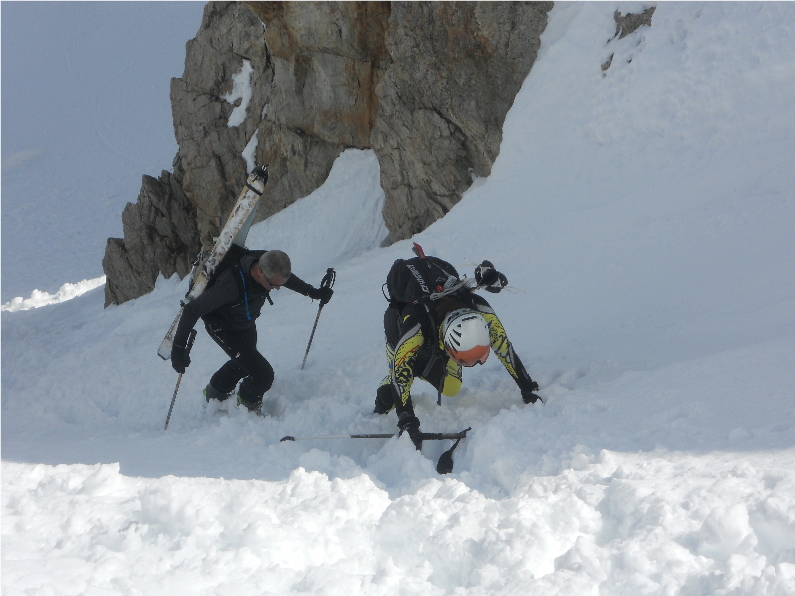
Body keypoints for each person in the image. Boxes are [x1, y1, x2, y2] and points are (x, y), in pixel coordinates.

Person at [373, 249, 541, 449]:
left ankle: (422, 368)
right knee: (392, 391)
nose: (473, 363)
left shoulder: (479, 309)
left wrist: (527, 387)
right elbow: (400, 372)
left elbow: (504, 348)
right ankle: (397, 381)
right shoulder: (415, 327)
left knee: (451, 388)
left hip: (437, 343)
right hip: (398, 337)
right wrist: (407, 421)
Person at [170, 248, 333, 414]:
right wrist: (178, 349)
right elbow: (192, 310)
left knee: (245, 363)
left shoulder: (267, 263)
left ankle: (214, 394)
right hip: (223, 327)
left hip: (245, 321)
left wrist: (312, 292)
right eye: (274, 285)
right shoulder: (230, 285)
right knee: (263, 375)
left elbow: (284, 279)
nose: (277, 289)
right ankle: (247, 406)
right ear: (260, 272)